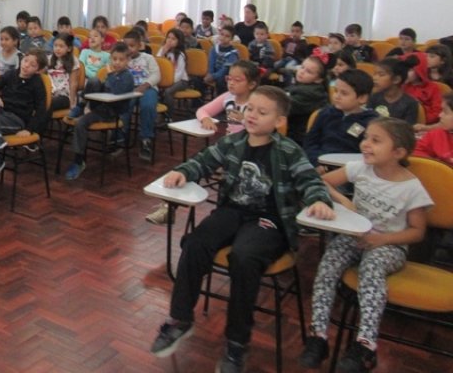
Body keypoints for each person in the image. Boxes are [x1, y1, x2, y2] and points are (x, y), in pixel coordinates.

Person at [149, 86, 333, 373]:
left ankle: (237, 343)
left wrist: (318, 200)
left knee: (244, 258)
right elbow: (203, 160)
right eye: (250, 109)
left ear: (280, 120)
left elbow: (311, 181)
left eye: (262, 112)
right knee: (195, 243)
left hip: (268, 220)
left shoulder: (288, 150)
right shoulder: (234, 142)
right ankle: (179, 320)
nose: (252, 115)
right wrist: (183, 171)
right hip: (233, 211)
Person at [299, 118, 432, 372]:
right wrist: (344, 201)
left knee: (371, 269)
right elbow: (323, 182)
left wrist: (382, 240)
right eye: (366, 138)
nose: (365, 145)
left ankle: (366, 345)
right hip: (354, 237)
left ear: (399, 152)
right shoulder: (359, 168)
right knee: (327, 267)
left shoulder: (412, 188)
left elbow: (417, 232)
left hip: (390, 246)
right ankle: (318, 336)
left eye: (376, 140)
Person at [147, 61, 262, 226]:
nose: (231, 83)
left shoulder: (258, 103)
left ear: (252, 84)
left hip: (249, 152)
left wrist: (244, 120)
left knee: (214, 170)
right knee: (193, 165)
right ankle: (168, 207)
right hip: (227, 148)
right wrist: (206, 118)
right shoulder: (228, 97)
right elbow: (202, 110)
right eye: (229, 78)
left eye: (238, 80)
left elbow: (262, 128)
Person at [0, 48, 49, 184]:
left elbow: (41, 109)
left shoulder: (37, 83)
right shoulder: (11, 75)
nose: (26, 65)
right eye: (26, 61)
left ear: (38, 70)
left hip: (17, 120)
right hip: (1, 114)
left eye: (32, 65)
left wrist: (30, 129)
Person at [64, 43, 134, 181]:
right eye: (114, 59)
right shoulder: (111, 73)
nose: (117, 63)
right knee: (94, 80)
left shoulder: (127, 76)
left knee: (81, 124)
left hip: (111, 112)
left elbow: (117, 92)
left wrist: (111, 75)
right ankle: (81, 105)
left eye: (121, 60)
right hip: (100, 106)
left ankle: (79, 161)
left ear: (127, 61)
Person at [304, 69, 379, 170]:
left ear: (362, 98)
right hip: (320, 165)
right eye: (336, 91)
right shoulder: (325, 113)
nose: (337, 96)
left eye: (344, 93)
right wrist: (316, 163)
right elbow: (310, 142)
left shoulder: (371, 122)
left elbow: (369, 151)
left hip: (351, 169)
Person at [125, 28, 161, 162]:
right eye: (126, 46)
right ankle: (121, 136)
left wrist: (145, 85)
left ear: (139, 45)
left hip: (147, 87)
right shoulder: (123, 59)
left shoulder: (148, 58)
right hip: (129, 89)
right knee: (124, 105)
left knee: (148, 106)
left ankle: (146, 139)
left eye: (132, 46)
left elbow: (156, 75)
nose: (129, 49)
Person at [286, 55, 330, 144]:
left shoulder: (311, 94)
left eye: (308, 72)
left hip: (298, 138)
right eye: (302, 67)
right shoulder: (301, 87)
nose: (302, 72)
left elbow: (283, 107)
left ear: (318, 80)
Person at [368, 57, 419, 125]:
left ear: (396, 80)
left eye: (381, 75)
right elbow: (367, 121)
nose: (375, 78)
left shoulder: (410, 103)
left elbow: (407, 129)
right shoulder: (374, 97)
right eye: (375, 74)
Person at [401, 50, 441, 124]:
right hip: (404, 124)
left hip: (425, 124)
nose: (405, 73)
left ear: (419, 70)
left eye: (410, 70)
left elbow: (436, 111)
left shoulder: (433, 88)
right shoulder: (401, 86)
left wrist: (422, 119)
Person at [413, 92, 453, 164]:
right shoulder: (437, 134)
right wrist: (436, 164)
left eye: (445, 112)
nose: (440, 115)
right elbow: (417, 151)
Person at [47, 34, 80, 112]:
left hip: (65, 96)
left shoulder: (73, 61)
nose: (57, 49)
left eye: (61, 46)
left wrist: (72, 103)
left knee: (47, 104)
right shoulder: (49, 59)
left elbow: (73, 83)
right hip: (51, 93)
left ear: (69, 48)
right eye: (55, 46)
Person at [158, 27, 190, 109]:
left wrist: (167, 83)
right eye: (168, 37)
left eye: (173, 39)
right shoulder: (163, 50)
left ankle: (169, 115)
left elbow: (179, 74)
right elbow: (157, 63)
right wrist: (163, 53)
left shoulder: (180, 55)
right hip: (166, 79)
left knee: (168, 91)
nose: (169, 40)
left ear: (179, 42)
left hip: (181, 81)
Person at [206, 24, 240, 95]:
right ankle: (198, 103)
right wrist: (210, 74)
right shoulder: (214, 49)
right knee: (197, 80)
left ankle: (221, 102)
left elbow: (225, 69)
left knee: (221, 80)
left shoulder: (233, 53)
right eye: (222, 34)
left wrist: (213, 76)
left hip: (226, 75)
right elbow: (211, 63)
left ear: (231, 39)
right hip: (214, 73)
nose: (223, 37)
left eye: (227, 36)